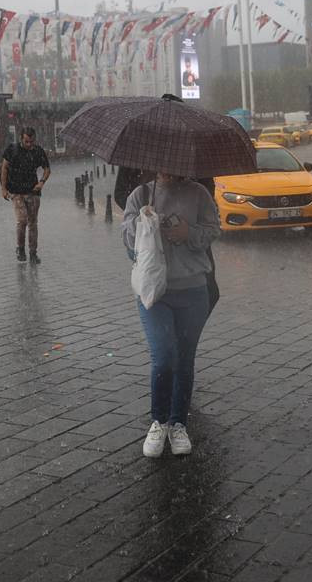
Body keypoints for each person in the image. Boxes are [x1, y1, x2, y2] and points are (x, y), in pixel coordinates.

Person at [121, 172, 220, 458]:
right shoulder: (141, 194)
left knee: (185, 360)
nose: (167, 168)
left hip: (193, 290)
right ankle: (159, 421)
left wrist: (189, 233)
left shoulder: (198, 193)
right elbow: (126, 239)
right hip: (154, 292)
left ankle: (178, 423)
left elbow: (213, 230)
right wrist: (143, 223)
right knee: (164, 358)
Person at [0, 128, 51, 264]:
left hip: (33, 191)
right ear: (21, 139)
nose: (29, 144)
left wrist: (42, 182)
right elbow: (4, 168)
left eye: (32, 141)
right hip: (16, 192)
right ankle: (21, 248)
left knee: (33, 223)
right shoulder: (12, 150)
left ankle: (33, 253)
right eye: (26, 141)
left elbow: (47, 169)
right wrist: (3, 188)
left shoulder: (38, 151)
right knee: (22, 220)